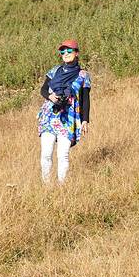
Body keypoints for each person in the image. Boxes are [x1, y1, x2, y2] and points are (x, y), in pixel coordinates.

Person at [37, 39, 91, 183]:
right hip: (49, 114)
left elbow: (85, 99)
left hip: (69, 117)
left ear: (76, 53)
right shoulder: (55, 71)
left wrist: (85, 120)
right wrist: (50, 96)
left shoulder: (83, 75)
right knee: (46, 153)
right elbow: (43, 89)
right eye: (62, 51)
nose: (65, 54)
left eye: (69, 51)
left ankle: (62, 187)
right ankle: (46, 185)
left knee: (63, 155)